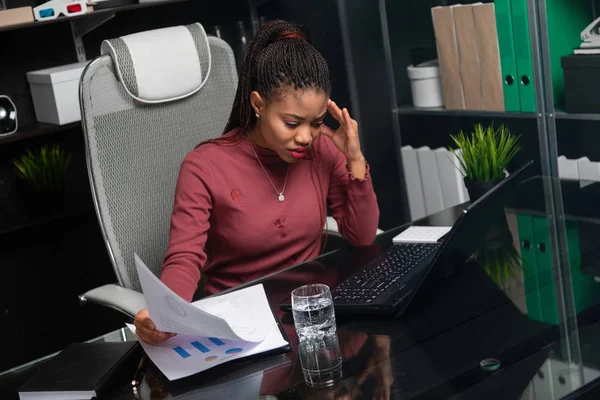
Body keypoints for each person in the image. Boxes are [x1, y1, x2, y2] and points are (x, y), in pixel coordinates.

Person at [134, 19, 379, 345]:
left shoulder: (322, 150)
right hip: (238, 328)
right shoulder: (204, 166)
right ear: (258, 104)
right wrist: (165, 313)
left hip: (310, 320)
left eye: (316, 123)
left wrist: (355, 160)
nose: (305, 136)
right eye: (291, 123)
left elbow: (362, 235)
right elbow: (184, 258)